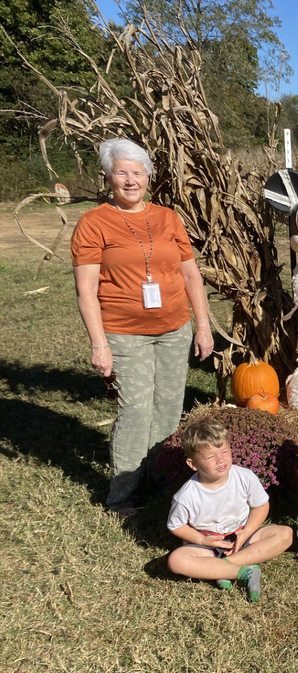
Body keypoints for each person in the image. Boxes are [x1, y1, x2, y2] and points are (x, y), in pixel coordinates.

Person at [72, 138, 214, 516]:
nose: (130, 180)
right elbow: (85, 291)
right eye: (122, 172)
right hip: (123, 332)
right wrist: (99, 344)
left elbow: (190, 275)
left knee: (168, 410)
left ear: (149, 177)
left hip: (173, 328)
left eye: (137, 172)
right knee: (135, 410)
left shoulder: (168, 218)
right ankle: (121, 494)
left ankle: (158, 478)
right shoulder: (93, 223)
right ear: (108, 177)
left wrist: (202, 326)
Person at [166, 420, 293, 602]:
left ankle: (221, 568)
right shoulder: (186, 496)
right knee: (176, 560)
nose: (221, 459)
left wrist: (246, 532)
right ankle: (244, 571)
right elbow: (176, 525)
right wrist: (202, 539)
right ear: (193, 464)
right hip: (208, 545)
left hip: (242, 535)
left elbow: (261, 506)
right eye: (210, 457)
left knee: (285, 534)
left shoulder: (244, 477)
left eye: (225, 451)